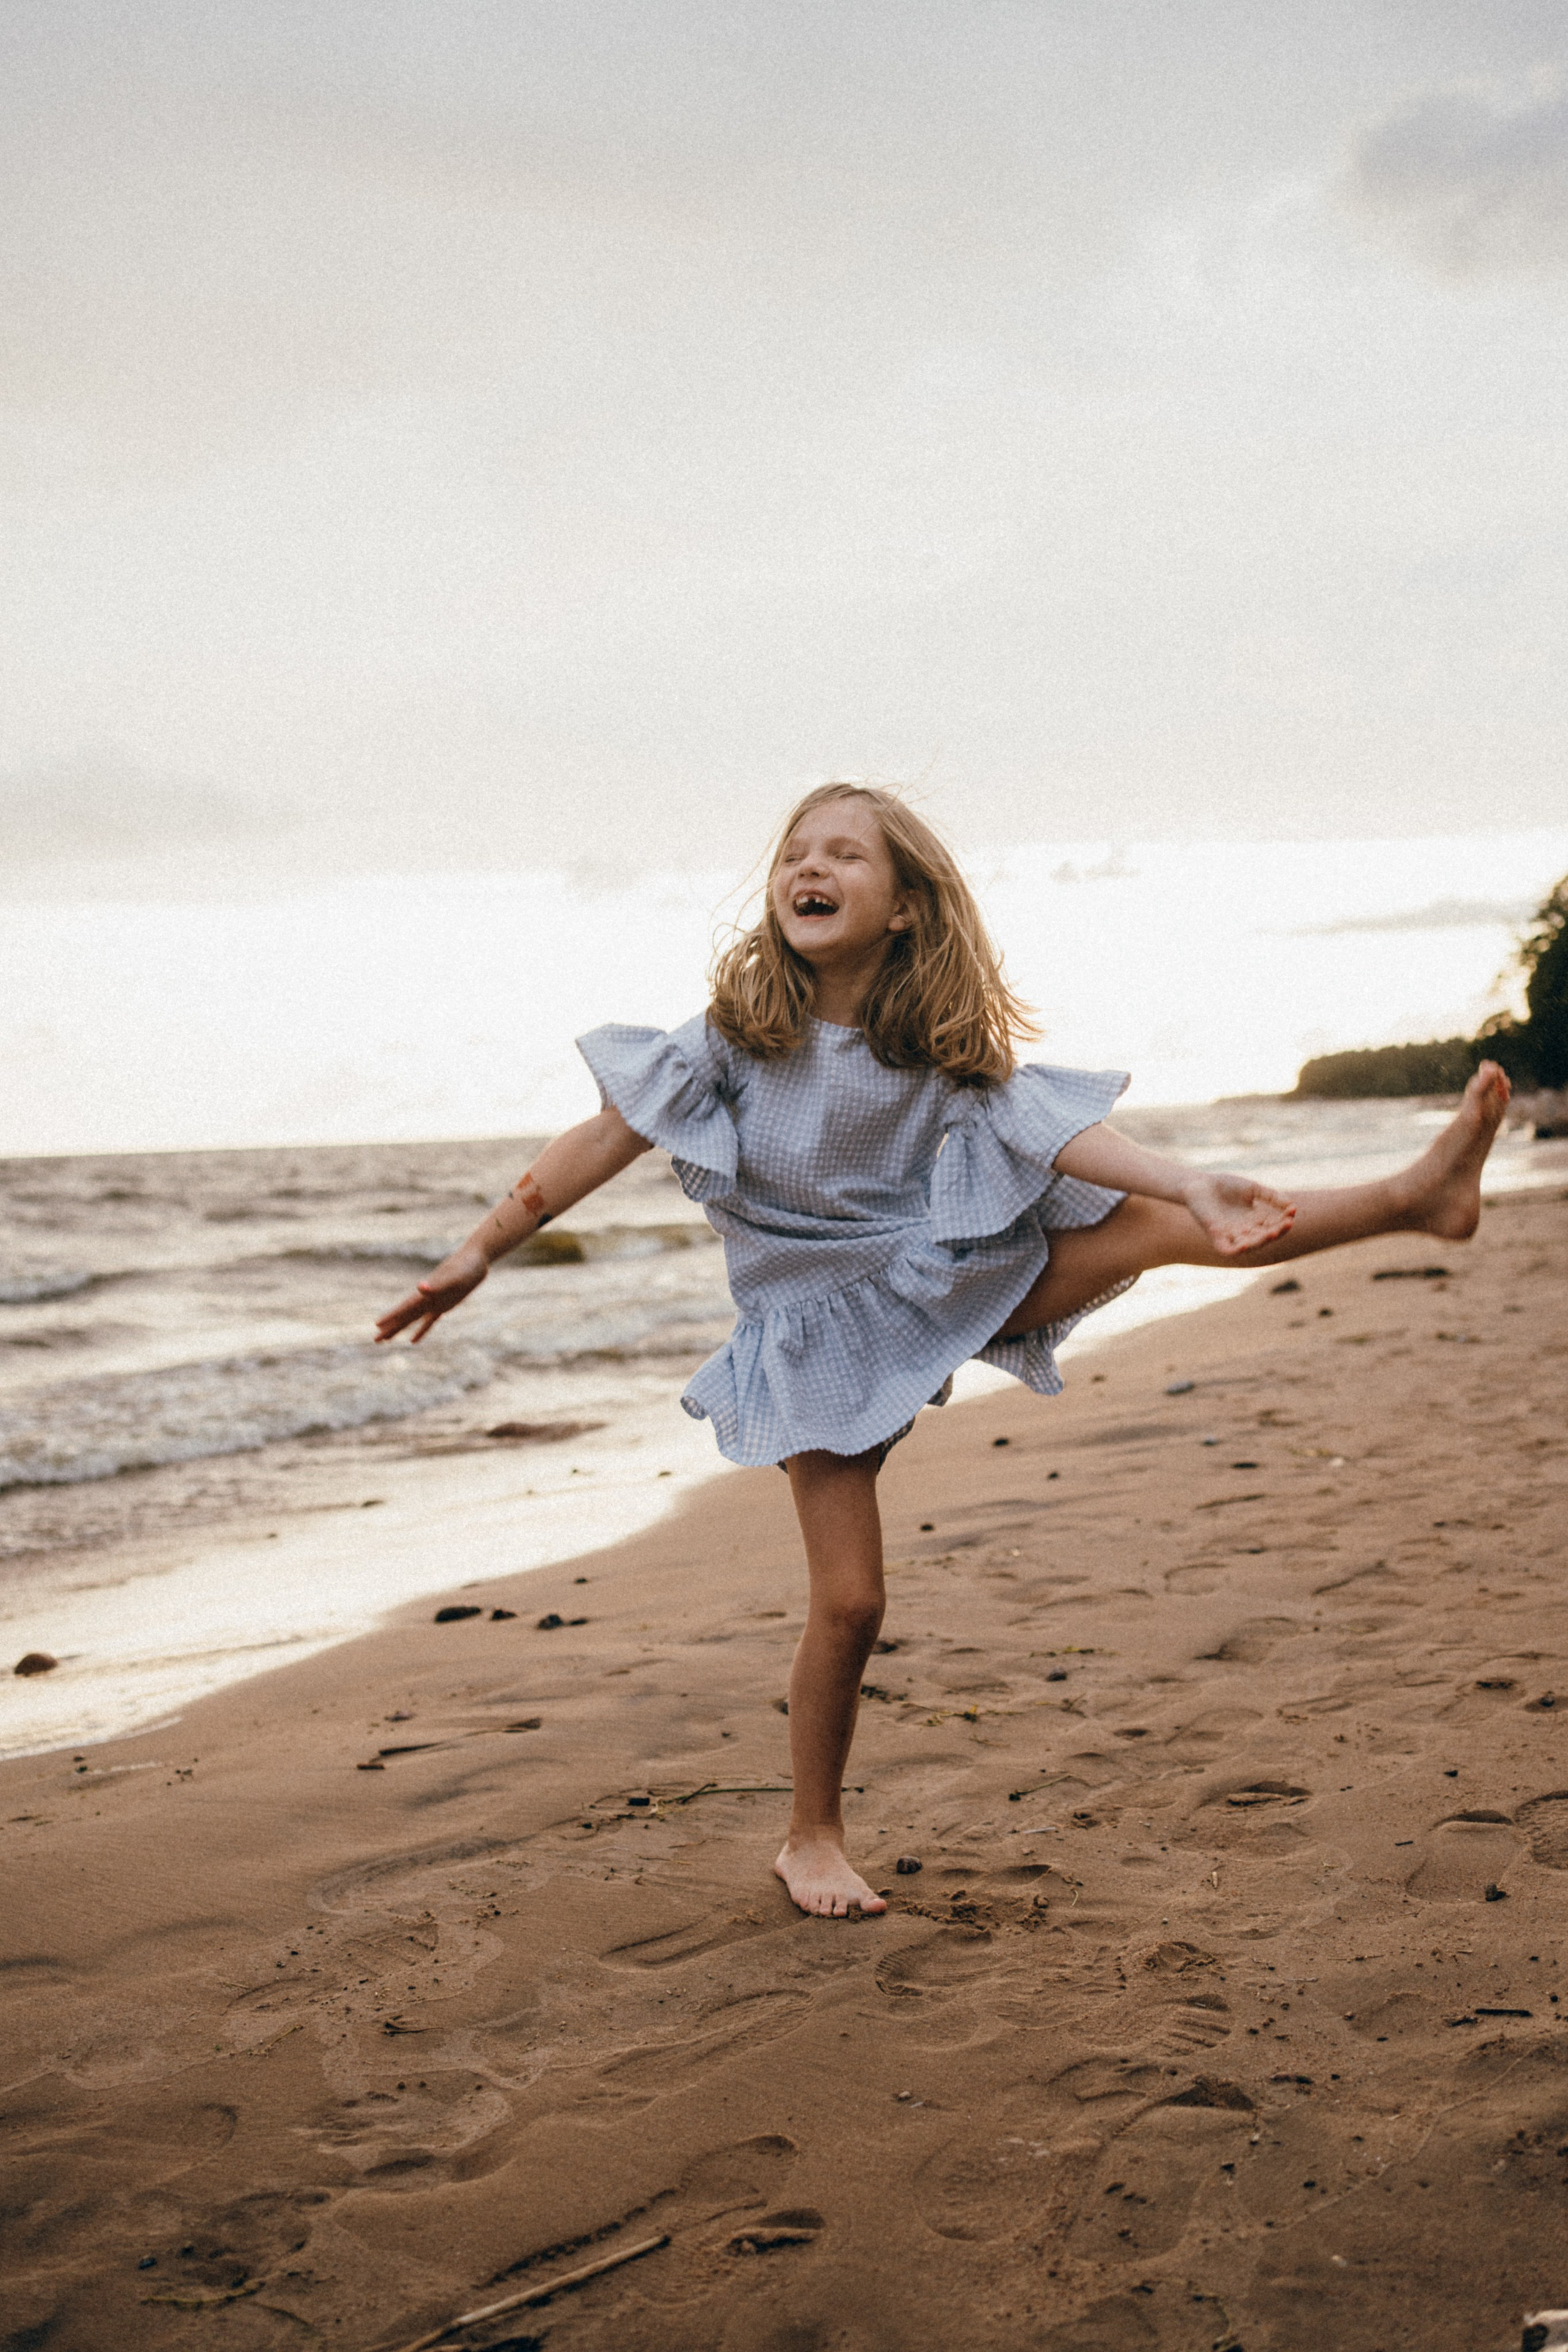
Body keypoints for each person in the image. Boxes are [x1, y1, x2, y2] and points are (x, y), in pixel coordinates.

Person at [375, 785, 1511, 1919]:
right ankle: (807, 1837)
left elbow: (1056, 1131)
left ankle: (1415, 1197)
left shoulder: (939, 1046)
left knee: (1167, 1226)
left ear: (909, 907)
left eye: (843, 856)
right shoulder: (734, 1035)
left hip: (937, 1279)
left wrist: (1188, 1179)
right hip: (814, 1335)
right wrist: (483, 1246)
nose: (807, 869)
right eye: (793, 855)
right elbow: (604, 1135)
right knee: (854, 1603)